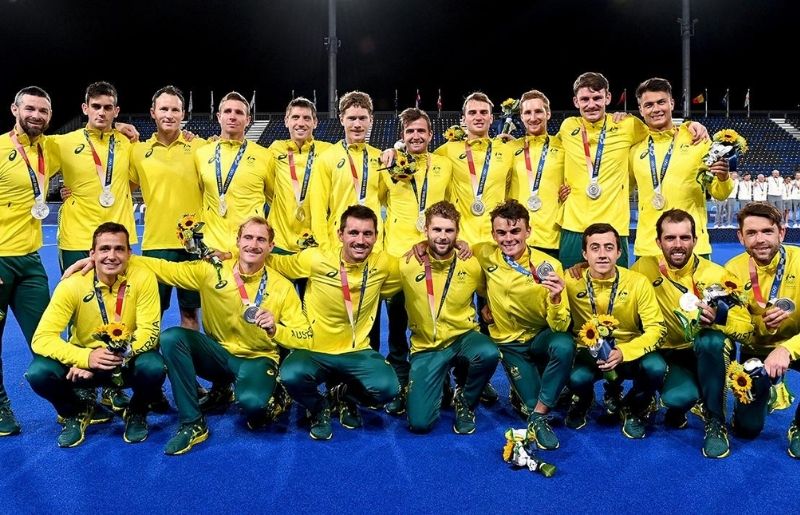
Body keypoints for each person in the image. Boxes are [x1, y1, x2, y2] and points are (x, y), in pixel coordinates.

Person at [128, 216, 310, 455]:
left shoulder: (281, 286)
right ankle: (193, 423)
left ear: (270, 246)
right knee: (172, 338)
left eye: (261, 240)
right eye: (248, 237)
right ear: (237, 241)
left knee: (255, 409)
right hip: (219, 357)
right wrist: (119, 257)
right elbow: (163, 268)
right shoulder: (212, 270)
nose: (253, 245)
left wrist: (277, 329)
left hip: (257, 360)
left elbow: (304, 335)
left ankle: (277, 392)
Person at [27, 223, 164, 447]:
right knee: (39, 373)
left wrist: (116, 354)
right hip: (82, 369)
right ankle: (76, 411)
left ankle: (137, 411)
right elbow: (42, 338)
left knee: (154, 366)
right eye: (104, 249)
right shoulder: (72, 285)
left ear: (129, 253)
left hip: (124, 361)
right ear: (92, 254)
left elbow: (149, 331)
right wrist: (85, 358)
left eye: (119, 249)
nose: (112, 256)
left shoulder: (143, 278)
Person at [271, 205, 401, 440]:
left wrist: (426, 247)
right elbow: (275, 262)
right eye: (353, 233)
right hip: (314, 348)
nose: (360, 240)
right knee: (290, 376)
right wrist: (232, 255)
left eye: (367, 234)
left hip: (356, 350)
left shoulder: (385, 264)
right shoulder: (315, 258)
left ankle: (343, 395)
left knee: (388, 389)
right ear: (340, 235)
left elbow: (417, 266)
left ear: (376, 236)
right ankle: (318, 407)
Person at [631, 209, 753, 458]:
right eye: (670, 238)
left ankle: (715, 420)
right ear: (658, 242)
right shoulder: (644, 267)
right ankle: (656, 403)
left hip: (700, 353)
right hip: (665, 353)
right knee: (678, 397)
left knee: (712, 341)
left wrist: (719, 318)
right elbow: (615, 278)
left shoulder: (717, 275)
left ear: (695, 240)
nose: (678, 245)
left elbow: (746, 328)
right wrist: (581, 267)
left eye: (685, 237)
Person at [557, 72, 708, 268]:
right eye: (585, 99)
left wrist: (690, 125)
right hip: (573, 225)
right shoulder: (567, 127)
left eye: (597, 98)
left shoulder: (628, 125)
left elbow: (662, 129)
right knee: (569, 282)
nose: (591, 104)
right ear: (576, 101)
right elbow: (549, 153)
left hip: (614, 227)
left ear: (608, 98)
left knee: (617, 285)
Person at [50, 81, 138, 413]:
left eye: (108, 107)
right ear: (85, 108)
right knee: (78, 313)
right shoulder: (63, 143)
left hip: (118, 242)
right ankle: (84, 384)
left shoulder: (127, 143)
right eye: (96, 106)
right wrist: (61, 189)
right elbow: (31, 169)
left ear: (117, 110)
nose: (102, 112)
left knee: (120, 311)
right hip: (76, 240)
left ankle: (113, 381)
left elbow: (134, 179)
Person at [474, 200, 573, 449]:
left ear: (528, 231)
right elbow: (458, 252)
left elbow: (560, 326)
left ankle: (538, 417)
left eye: (515, 231)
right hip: (510, 344)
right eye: (501, 232)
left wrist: (556, 299)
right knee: (531, 402)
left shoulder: (549, 266)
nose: (508, 238)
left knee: (564, 344)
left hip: (540, 338)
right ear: (493, 234)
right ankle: (533, 401)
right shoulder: (484, 254)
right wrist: (486, 303)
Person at [399, 201, 498, 434]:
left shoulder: (470, 263)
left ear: (457, 232)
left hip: (462, 338)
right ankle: (438, 382)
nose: (443, 237)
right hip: (427, 347)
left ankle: (465, 399)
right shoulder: (407, 264)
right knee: (420, 424)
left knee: (488, 352)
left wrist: (489, 305)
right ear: (426, 230)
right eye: (437, 230)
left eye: (449, 230)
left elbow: (489, 289)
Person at [381, 108, 453, 415]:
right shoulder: (389, 164)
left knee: (432, 320)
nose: (416, 136)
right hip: (398, 257)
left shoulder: (444, 165)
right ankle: (400, 380)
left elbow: (452, 207)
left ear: (430, 134)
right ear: (402, 136)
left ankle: (441, 379)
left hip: (434, 254)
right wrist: (391, 152)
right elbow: (375, 200)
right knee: (397, 326)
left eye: (421, 131)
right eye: (410, 131)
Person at [565, 223, 666, 438]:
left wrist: (624, 352)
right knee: (575, 378)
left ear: (619, 252)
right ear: (584, 254)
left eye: (609, 247)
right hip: (589, 353)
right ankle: (584, 399)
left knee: (656, 367)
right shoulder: (570, 281)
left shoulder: (638, 282)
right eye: (595, 248)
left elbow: (656, 328)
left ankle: (635, 407)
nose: (602, 254)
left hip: (628, 351)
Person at [0, 86, 60, 436]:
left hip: (30, 261)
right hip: (0, 260)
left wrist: (124, 128)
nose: (36, 115)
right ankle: (0, 407)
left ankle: (69, 405)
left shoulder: (50, 148)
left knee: (46, 339)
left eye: (43, 110)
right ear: (15, 109)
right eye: (30, 109)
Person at [724, 202, 800, 458]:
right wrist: (759, 324)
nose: (760, 240)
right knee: (747, 429)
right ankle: (766, 394)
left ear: (782, 232)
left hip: (796, 344)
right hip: (755, 349)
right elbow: (734, 322)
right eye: (752, 233)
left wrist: (787, 349)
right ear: (740, 237)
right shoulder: (732, 269)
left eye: (767, 231)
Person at [629, 78, 732, 257]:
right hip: (648, 248)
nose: (656, 109)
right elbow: (622, 189)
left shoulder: (697, 140)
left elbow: (720, 193)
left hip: (692, 246)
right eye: (649, 105)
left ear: (672, 103)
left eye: (661, 102)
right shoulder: (635, 150)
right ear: (641, 110)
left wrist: (723, 177)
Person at [129, 85, 204, 330]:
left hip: (193, 245)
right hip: (155, 244)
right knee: (151, 316)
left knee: (190, 315)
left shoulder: (201, 148)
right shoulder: (138, 152)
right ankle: (149, 356)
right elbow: (121, 188)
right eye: (163, 109)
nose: (169, 115)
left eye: (175, 110)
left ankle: (187, 357)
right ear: (153, 112)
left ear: (183, 114)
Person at [196, 91, 272, 254]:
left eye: (239, 112)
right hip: (213, 249)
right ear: (219, 116)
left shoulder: (265, 156)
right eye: (227, 111)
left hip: (250, 249)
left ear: (248, 119)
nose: (232, 116)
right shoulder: (201, 154)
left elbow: (275, 202)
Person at [432, 92, 513, 245]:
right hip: (460, 241)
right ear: (463, 119)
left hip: (497, 239)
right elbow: (420, 161)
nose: (478, 117)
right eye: (472, 112)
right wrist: (395, 150)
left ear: (491, 118)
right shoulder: (448, 150)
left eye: (483, 112)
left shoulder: (508, 151)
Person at [308, 91, 385, 252]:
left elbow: (389, 200)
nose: (357, 124)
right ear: (341, 119)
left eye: (362, 118)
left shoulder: (380, 158)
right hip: (338, 245)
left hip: (374, 246)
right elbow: (317, 209)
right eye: (351, 118)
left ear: (371, 120)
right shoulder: (327, 158)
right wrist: (324, 248)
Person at [265, 97, 332, 255]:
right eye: (295, 117)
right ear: (286, 121)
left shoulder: (329, 151)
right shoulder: (274, 149)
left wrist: (389, 151)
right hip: (279, 241)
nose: (300, 123)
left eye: (306, 118)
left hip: (316, 243)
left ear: (315, 122)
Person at [507, 90, 565, 259]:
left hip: (552, 238)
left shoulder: (563, 146)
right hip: (516, 237)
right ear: (521, 117)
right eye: (527, 113)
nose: (533, 118)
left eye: (538, 111)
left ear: (548, 113)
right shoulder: (508, 149)